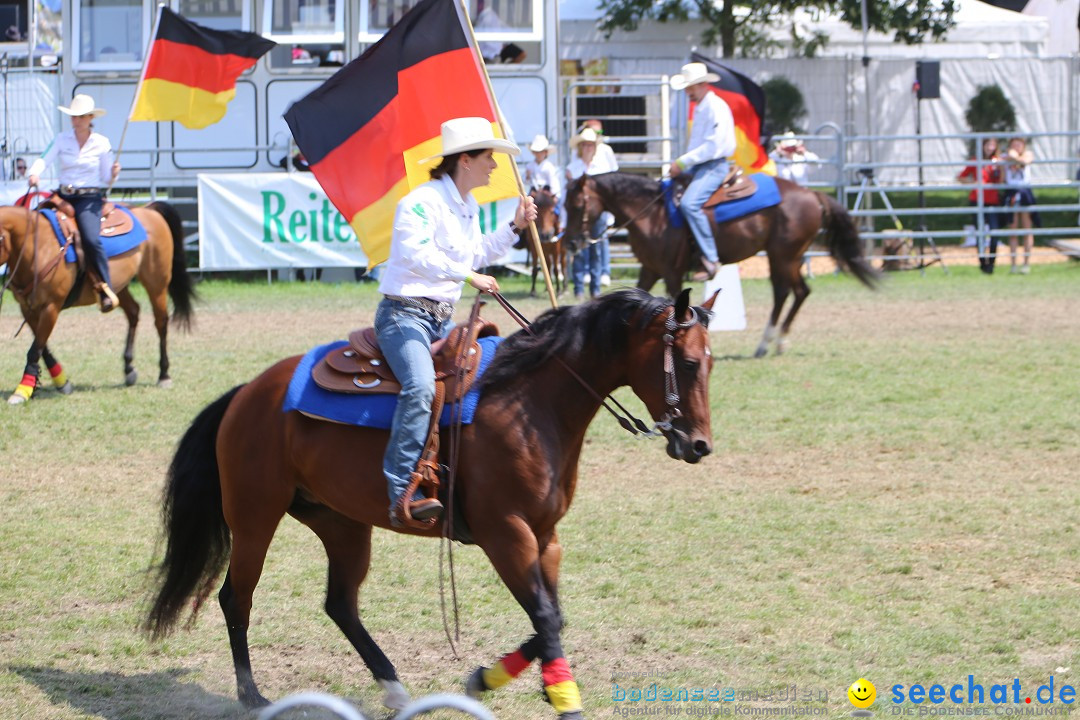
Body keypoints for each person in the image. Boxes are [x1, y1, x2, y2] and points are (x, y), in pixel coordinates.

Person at [376, 116, 537, 528]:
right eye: (489, 158)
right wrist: (468, 277)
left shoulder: (468, 205)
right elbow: (416, 254)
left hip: (440, 320)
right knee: (420, 387)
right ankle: (399, 492)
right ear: (465, 159)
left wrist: (515, 227)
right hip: (404, 316)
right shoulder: (421, 202)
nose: (495, 167)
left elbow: (475, 251)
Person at [27, 93, 121, 311]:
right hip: (63, 196)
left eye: (79, 116)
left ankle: (106, 286)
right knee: (34, 226)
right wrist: (34, 173)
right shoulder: (61, 139)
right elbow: (44, 158)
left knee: (90, 238)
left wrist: (115, 173)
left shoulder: (101, 143)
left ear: (90, 118)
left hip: (88, 199)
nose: (75, 120)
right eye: (73, 116)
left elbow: (107, 178)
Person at [669, 62, 736, 281]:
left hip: (714, 165)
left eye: (691, 87)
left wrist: (682, 161)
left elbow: (713, 146)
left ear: (703, 85)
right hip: (702, 164)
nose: (688, 92)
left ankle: (710, 258)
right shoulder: (702, 107)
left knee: (689, 204)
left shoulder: (714, 107)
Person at [565, 126, 613, 299]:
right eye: (585, 145)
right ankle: (578, 288)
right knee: (578, 250)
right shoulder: (572, 168)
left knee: (596, 250)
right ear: (580, 147)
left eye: (591, 145)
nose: (588, 148)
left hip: (597, 216)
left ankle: (595, 288)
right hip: (578, 216)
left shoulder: (603, 167)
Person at [957, 137, 1003, 274]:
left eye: (993, 144)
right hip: (977, 200)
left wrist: (1001, 168)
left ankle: (992, 263)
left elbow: (1001, 182)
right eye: (988, 144)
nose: (990, 147)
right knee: (980, 233)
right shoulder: (975, 161)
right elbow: (961, 177)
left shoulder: (997, 162)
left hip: (993, 201)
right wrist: (974, 184)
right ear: (982, 146)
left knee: (995, 232)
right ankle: (983, 263)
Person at [581, 119, 618, 286]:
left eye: (599, 133)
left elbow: (613, 175)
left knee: (602, 237)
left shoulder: (606, 151)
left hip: (602, 200)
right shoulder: (583, 153)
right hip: (590, 202)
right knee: (587, 236)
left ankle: (605, 271)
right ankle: (588, 270)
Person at [1002, 137, 1037, 275]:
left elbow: (1026, 160)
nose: (1017, 146)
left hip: (1025, 193)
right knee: (1013, 229)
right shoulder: (1006, 156)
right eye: (1014, 144)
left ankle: (1026, 264)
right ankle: (1013, 265)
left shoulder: (1028, 154)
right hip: (1011, 193)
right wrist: (1011, 157)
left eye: (1019, 144)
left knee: (1027, 228)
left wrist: (1013, 157)